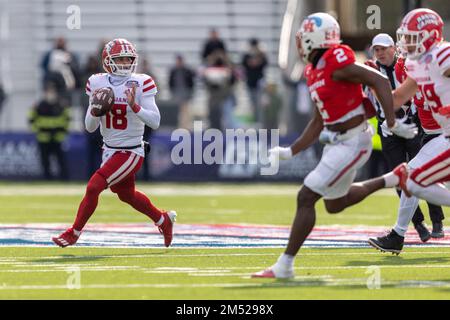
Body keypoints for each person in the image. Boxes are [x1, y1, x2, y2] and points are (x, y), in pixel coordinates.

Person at [252, 13, 418, 279]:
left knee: (306, 196)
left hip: (353, 140)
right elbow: (319, 120)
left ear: (317, 38)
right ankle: (393, 178)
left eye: (304, 38)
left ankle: (285, 265)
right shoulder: (313, 70)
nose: (300, 44)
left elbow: (380, 80)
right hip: (338, 141)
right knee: (334, 204)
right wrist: (290, 151)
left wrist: (391, 121)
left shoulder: (335, 60)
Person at [52, 38, 177, 248]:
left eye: (129, 59)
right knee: (126, 195)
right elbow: (90, 126)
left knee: (94, 186)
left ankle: (74, 232)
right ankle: (163, 220)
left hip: (131, 151)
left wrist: (134, 107)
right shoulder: (97, 82)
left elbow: (155, 121)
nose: (126, 63)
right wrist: (95, 109)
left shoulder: (142, 82)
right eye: (121, 59)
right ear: (108, 61)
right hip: (109, 150)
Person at [369, 8, 450, 254]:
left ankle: (398, 234)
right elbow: (396, 98)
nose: (407, 42)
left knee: (413, 179)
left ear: (430, 35)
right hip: (444, 135)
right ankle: (398, 235)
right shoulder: (419, 65)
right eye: (405, 37)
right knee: (410, 176)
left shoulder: (443, 54)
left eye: (412, 36)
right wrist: (369, 82)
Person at [28, 84, 70, 181]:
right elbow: (31, 120)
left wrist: (63, 132)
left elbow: (67, 119)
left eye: (52, 93)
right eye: (48, 93)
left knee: (61, 160)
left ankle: (64, 179)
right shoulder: (39, 105)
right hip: (44, 138)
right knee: (45, 161)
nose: (50, 95)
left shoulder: (61, 105)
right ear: (45, 94)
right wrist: (38, 130)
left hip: (57, 138)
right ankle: (47, 179)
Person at [241, 38, 268, 123]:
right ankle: (255, 122)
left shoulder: (262, 55)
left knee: (260, 104)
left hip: (260, 82)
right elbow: (246, 64)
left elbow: (264, 63)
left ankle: (261, 122)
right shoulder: (246, 55)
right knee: (253, 104)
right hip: (250, 82)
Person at [169, 54, 195, 129]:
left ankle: (186, 126)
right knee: (178, 111)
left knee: (186, 111)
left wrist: (190, 92)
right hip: (177, 93)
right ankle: (180, 126)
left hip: (185, 93)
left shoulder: (187, 70)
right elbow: (170, 82)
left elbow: (191, 82)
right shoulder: (173, 71)